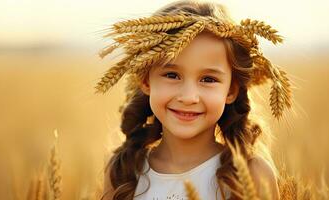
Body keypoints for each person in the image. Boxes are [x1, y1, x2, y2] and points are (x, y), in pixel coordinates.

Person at [95, 0, 292, 199]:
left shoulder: (251, 175)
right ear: (146, 80)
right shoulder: (123, 171)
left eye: (208, 79)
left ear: (231, 90)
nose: (189, 97)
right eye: (172, 75)